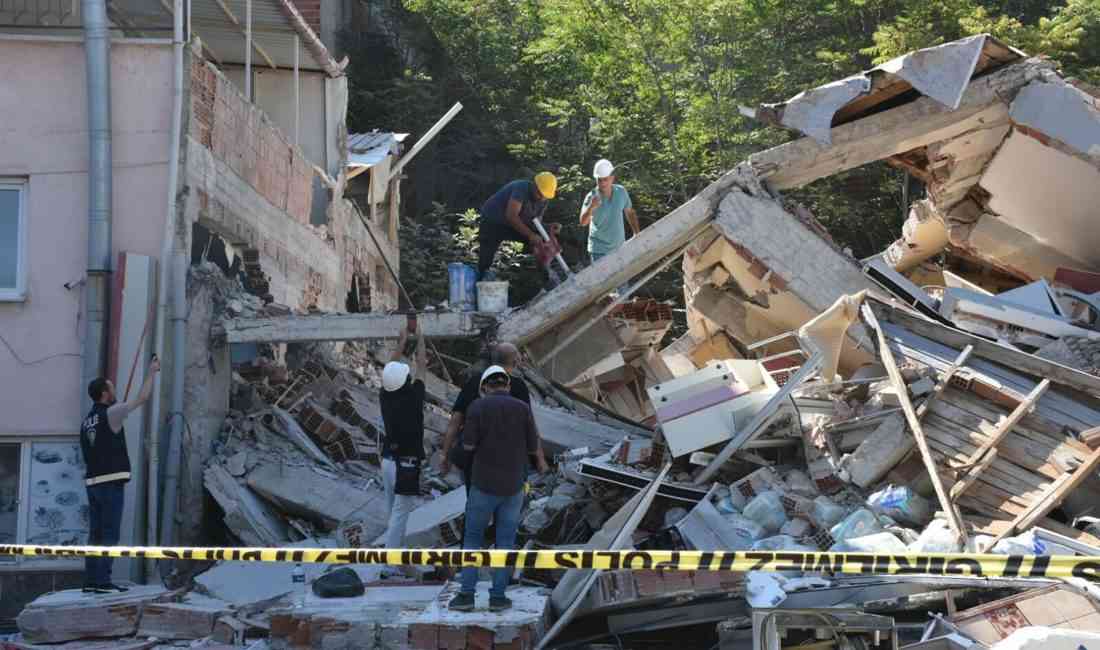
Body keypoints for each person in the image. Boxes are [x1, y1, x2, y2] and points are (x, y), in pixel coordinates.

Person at [448, 366, 544, 612]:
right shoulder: (522, 409)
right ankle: (498, 598)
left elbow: (467, 446)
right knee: (505, 542)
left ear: (484, 388)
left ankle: (466, 596)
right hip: (513, 488)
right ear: (507, 386)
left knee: (472, 539)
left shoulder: (477, 407)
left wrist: (453, 457)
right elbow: (534, 446)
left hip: (483, 485)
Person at [81, 356, 160, 593]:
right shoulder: (112, 413)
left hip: (92, 484)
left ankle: (91, 582)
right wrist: (151, 372)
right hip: (110, 484)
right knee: (109, 535)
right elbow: (142, 398)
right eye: (112, 388)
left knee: (95, 535)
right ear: (105, 393)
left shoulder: (88, 421)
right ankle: (103, 582)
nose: (114, 390)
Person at [439, 343, 547, 491]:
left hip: (476, 463)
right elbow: (530, 427)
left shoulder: (473, 383)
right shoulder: (518, 386)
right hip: (511, 462)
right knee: (508, 506)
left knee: (478, 503)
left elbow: (454, 423)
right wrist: (539, 459)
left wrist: (444, 455)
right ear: (515, 362)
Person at [377, 320, 427, 564]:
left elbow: (391, 367)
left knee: (392, 513)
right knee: (399, 516)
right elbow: (422, 365)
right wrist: (421, 338)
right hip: (406, 465)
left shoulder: (385, 396)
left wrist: (403, 341)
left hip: (387, 462)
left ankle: (395, 556)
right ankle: (389, 565)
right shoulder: (414, 397)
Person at [477, 172, 561, 280]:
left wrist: (547, 227)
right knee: (486, 257)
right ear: (534, 185)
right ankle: (481, 281)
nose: (542, 198)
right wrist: (530, 235)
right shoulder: (521, 188)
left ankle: (545, 277)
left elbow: (535, 222)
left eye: (545, 196)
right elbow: (511, 216)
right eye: (540, 194)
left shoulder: (543, 199)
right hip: (493, 221)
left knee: (541, 241)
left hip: (513, 224)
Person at [579, 159, 640, 265]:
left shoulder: (621, 192)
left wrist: (637, 233)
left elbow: (630, 212)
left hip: (619, 247)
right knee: (604, 281)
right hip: (598, 251)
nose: (602, 183)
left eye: (605, 179)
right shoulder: (591, 196)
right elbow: (583, 222)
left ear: (612, 178)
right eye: (599, 180)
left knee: (622, 279)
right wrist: (591, 207)